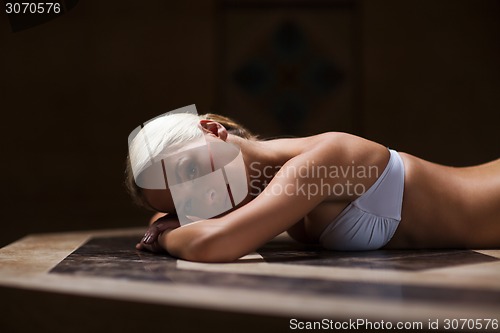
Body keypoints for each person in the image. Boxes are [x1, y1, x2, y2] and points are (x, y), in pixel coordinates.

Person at [126, 109, 500, 262]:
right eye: (183, 199)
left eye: (189, 169)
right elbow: (172, 218)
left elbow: (212, 242)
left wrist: (162, 237)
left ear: (211, 129)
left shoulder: (316, 164)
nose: (199, 192)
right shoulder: (257, 181)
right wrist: (168, 220)